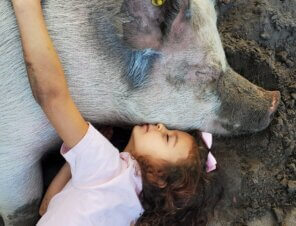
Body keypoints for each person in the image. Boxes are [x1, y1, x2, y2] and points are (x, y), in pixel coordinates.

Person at [11, 0, 223, 225]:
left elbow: (52, 97)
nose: (161, 127)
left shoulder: (109, 170)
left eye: (168, 138)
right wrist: (79, 158)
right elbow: (48, 207)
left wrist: (27, 8)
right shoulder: (131, 213)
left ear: (160, 178)